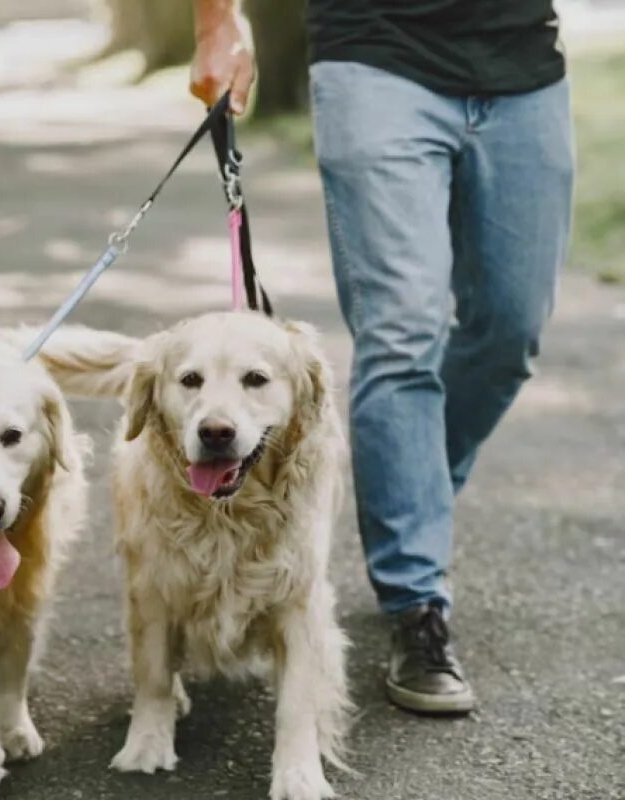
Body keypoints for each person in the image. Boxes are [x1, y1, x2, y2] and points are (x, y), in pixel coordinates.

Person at [190, 0, 574, 714]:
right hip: (373, 52)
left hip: (523, 61)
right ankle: (415, 603)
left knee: (510, 329)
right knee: (401, 329)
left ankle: (409, 485)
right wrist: (217, 21)